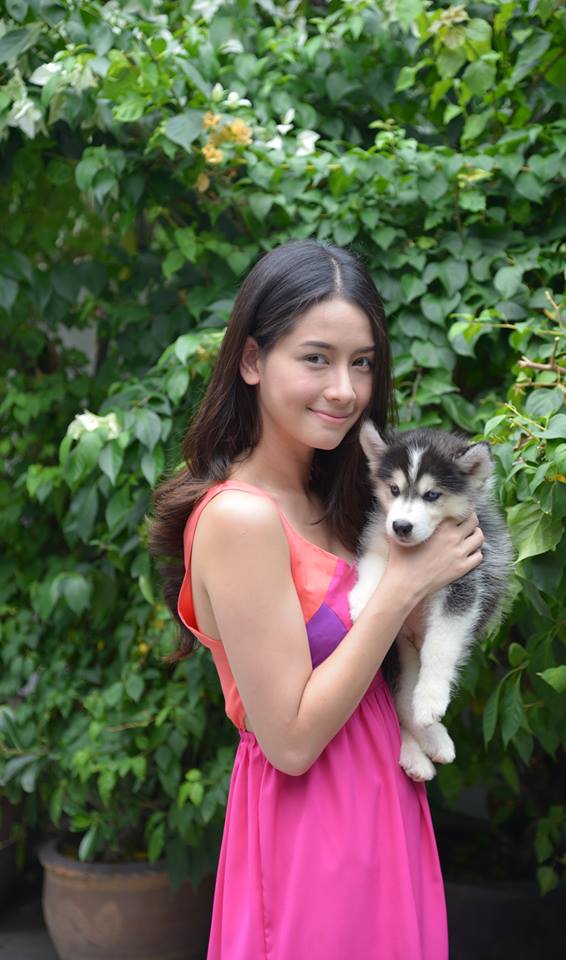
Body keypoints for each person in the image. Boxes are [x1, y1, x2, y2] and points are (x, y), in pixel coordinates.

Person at [150, 239, 484, 959]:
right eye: (316, 358)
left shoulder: (347, 501)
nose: (344, 389)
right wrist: (403, 588)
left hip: (385, 808)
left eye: (361, 362)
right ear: (250, 360)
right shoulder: (242, 519)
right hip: (312, 836)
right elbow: (292, 742)